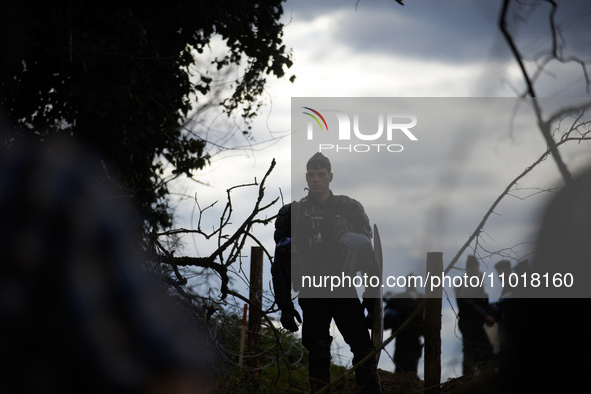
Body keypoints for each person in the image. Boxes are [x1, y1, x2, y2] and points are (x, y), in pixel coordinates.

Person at [272, 152, 382, 393]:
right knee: (318, 351)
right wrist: (285, 307)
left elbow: (368, 257)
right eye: (311, 175)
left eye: (321, 174)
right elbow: (279, 263)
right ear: (306, 177)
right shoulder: (293, 214)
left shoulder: (349, 208)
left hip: (343, 287)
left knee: (364, 350)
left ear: (330, 176)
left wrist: (371, 298)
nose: (316, 179)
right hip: (312, 290)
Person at [455, 255, 495, 375]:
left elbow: (479, 301)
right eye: (476, 268)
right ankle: (470, 379)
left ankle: (481, 377)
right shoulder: (465, 282)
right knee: (473, 353)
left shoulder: (476, 282)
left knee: (483, 352)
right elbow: (467, 302)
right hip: (469, 323)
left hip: (475, 322)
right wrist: (485, 316)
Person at [383, 275, 424, 373]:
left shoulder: (399, 298)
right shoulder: (421, 299)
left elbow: (387, 321)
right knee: (406, 368)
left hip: (408, 337)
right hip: (405, 337)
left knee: (406, 368)